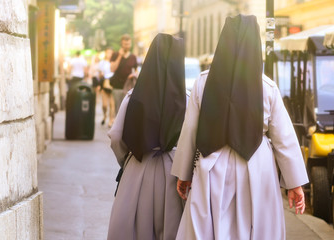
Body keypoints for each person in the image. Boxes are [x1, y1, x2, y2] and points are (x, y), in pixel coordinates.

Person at [171, 15, 309, 240]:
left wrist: (184, 173)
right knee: (257, 226)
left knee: (209, 227)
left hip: (211, 163)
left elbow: (190, 131)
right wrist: (294, 184)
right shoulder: (267, 87)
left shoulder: (202, 83)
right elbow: (284, 138)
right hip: (257, 163)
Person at [107, 33, 186, 240]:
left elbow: (116, 136)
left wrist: (127, 159)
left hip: (138, 164)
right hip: (174, 170)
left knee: (133, 228)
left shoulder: (134, 96)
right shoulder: (188, 98)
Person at [110, 34, 138, 114]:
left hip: (128, 88)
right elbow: (112, 69)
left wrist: (134, 75)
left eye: (128, 44)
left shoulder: (133, 57)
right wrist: (120, 56)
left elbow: (136, 71)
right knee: (118, 111)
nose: (127, 46)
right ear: (121, 44)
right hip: (117, 87)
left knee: (127, 111)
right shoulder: (115, 54)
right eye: (125, 44)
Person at [98, 48, 115, 128]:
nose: (109, 54)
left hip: (113, 84)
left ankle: (111, 120)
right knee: (104, 105)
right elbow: (99, 74)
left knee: (112, 104)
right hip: (105, 83)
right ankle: (105, 115)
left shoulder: (115, 62)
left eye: (111, 53)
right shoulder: (102, 62)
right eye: (108, 52)